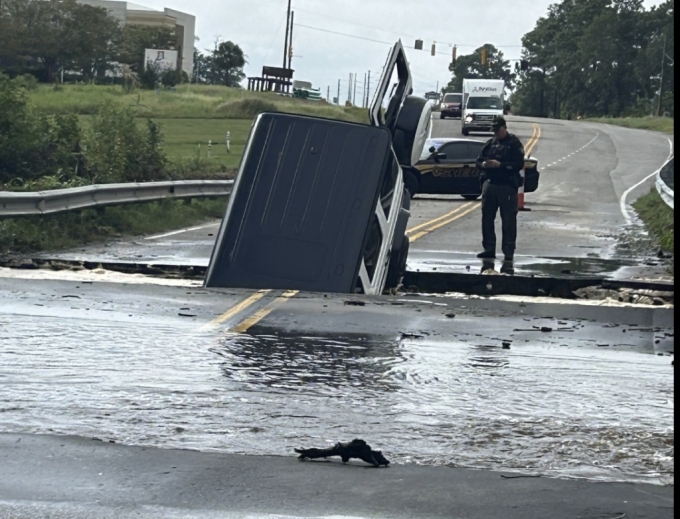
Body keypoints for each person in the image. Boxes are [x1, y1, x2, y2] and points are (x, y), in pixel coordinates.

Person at [475, 115, 525, 264]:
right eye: (494, 130)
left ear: (504, 128)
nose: (496, 133)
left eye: (499, 130)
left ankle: (508, 251)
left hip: (507, 186)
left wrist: (500, 165)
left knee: (508, 221)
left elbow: (518, 163)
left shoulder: (514, 144)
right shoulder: (490, 144)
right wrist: (485, 164)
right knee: (487, 219)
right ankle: (489, 248)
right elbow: (478, 161)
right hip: (490, 185)